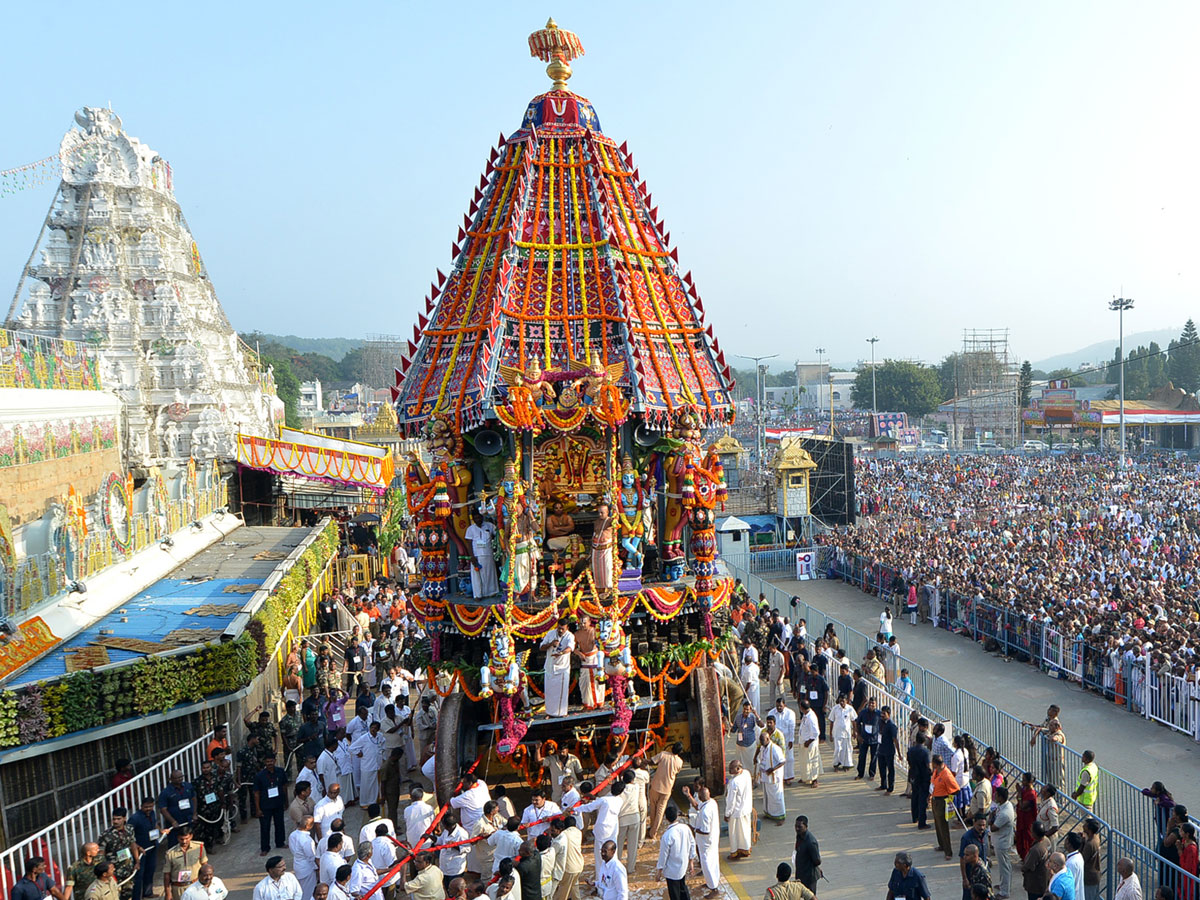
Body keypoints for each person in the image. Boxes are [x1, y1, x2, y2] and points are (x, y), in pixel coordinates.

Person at [681, 782, 719, 899]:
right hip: (711, 839)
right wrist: (688, 795)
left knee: (706, 863)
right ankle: (711, 882)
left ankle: (714, 889)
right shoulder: (711, 802)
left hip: (706, 841)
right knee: (713, 861)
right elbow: (697, 806)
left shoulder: (706, 812)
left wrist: (694, 829)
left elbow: (705, 830)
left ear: (702, 797)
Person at [578, 784, 623, 879]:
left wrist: (573, 809)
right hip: (612, 831)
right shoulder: (619, 800)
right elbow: (601, 802)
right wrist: (594, 798)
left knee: (600, 859)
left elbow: (589, 807)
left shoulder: (604, 800)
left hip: (602, 832)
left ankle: (600, 886)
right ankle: (612, 879)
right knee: (612, 857)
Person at [99, 808, 141, 900]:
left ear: (124, 818)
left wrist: (137, 861)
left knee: (128, 894)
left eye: (118, 819)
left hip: (128, 868)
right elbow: (101, 853)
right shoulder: (106, 835)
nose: (115, 821)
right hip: (113, 871)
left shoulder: (129, 829)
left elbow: (133, 844)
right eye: (114, 819)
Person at [655, 806, 696, 900]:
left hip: (672, 871)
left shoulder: (667, 836)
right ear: (677, 816)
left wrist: (659, 872)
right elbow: (692, 843)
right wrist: (691, 862)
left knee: (674, 894)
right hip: (683, 866)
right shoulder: (685, 828)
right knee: (682, 887)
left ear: (666, 818)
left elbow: (663, 856)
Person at [254, 754, 291, 856]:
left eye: (271, 761)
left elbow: (284, 787)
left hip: (278, 802)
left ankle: (280, 842)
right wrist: (257, 809)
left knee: (280, 823)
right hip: (265, 805)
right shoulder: (259, 776)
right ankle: (265, 847)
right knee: (265, 827)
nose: (269, 763)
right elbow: (256, 793)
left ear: (275, 761)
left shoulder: (280, 772)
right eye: (267, 762)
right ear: (264, 763)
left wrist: (286, 801)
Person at [646, 743, 684, 839]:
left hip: (655, 786)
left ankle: (651, 828)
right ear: (680, 752)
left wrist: (642, 761)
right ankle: (653, 832)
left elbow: (651, 761)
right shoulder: (680, 762)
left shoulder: (663, 754)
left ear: (671, 748)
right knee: (660, 811)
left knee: (653, 807)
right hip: (667, 789)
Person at [540, 621, 575, 718]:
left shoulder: (570, 636)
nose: (560, 630)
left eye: (562, 629)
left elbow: (570, 648)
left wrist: (561, 653)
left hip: (562, 668)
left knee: (562, 691)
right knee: (549, 691)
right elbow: (541, 647)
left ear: (567, 628)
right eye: (559, 628)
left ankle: (562, 713)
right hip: (550, 666)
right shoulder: (550, 634)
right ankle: (549, 713)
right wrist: (551, 644)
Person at [988, 785, 1016, 900]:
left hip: (1002, 842)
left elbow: (993, 827)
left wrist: (990, 818)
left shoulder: (1005, 813)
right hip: (1001, 840)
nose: (995, 796)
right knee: (1004, 865)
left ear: (1000, 796)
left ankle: (1005, 892)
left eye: (996, 795)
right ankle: (1004, 884)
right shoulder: (1006, 805)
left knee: (1004, 866)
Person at [163, 828, 206, 900]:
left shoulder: (199, 847)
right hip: (178, 888)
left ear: (191, 836)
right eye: (181, 839)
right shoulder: (170, 853)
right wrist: (168, 893)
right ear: (177, 838)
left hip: (195, 885)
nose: (184, 841)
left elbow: (204, 866)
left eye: (187, 838)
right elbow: (167, 874)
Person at [931, 754, 959, 860]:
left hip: (942, 801)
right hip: (935, 799)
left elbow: (956, 789)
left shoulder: (946, 775)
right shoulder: (936, 772)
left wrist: (949, 798)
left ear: (936, 764)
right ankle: (941, 845)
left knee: (943, 826)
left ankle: (948, 851)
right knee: (938, 824)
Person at [755, 730, 786, 823]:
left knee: (776, 796)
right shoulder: (763, 748)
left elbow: (782, 761)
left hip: (773, 776)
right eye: (760, 740)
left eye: (763, 740)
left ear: (768, 739)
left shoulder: (775, 749)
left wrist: (772, 769)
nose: (761, 742)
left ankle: (780, 816)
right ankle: (769, 813)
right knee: (767, 796)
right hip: (765, 777)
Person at [725, 761, 754, 860]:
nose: (729, 770)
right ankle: (746, 849)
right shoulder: (746, 773)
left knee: (735, 834)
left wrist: (727, 814)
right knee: (745, 831)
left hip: (736, 813)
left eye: (731, 768)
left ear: (738, 769)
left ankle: (735, 852)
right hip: (746, 809)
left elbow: (731, 801)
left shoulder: (734, 783)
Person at [466, 511, 499, 598]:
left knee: (490, 574)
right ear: (473, 519)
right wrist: (472, 556)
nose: (478, 519)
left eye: (479, 517)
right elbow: (469, 544)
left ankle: (491, 593)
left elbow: (498, 534)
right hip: (477, 555)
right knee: (477, 577)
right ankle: (478, 595)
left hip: (488, 554)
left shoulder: (489, 526)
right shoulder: (470, 529)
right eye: (476, 518)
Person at [550, 816, 583, 900]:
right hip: (579, 865)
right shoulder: (578, 832)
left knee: (563, 891)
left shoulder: (564, 835)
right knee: (574, 886)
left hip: (570, 868)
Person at [288, 815, 318, 900]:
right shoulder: (307, 840)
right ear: (308, 826)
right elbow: (311, 857)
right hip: (307, 868)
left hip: (297, 864)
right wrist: (316, 867)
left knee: (301, 889)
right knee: (308, 891)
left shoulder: (292, 835)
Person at [439, 813, 470, 895]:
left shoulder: (462, 833)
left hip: (455, 869)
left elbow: (467, 848)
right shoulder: (446, 831)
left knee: (455, 891)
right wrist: (430, 836)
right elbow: (440, 841)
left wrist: (454, 845)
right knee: (446, 888)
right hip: (444, 867)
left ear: (446, 825)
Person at [792, 816, 821, 897]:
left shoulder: (811, 842)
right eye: (796, 826)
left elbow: (817, 860)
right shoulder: (799, 835)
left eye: (800, 827)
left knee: (810, 896)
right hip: (801, 873)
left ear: (806, 827)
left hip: (809, 877)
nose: (797, 829)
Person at [907, 735, 931, 830]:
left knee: (915, 796)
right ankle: (922, 822)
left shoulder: (911, 750)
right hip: (923, 777)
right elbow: (928, 765)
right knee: (922, 799)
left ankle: (914, 817)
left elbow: (909, 761)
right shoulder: (925, 752)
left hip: (914, 775)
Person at [1022, 823, 1051, 900]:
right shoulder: (1046, 840)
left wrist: (1023, 868)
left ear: (1034, 834)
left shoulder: (1036, 850)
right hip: (1044, 879)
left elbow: (1028, 866)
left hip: (1035, 884)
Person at [797, 700, 822, 788]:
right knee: (804, 761)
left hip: (810, 744)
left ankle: (814, 780)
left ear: (802, 708)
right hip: (804, 742)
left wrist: (808, 742)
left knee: (812, 762)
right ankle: (805, 777)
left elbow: (815, 732)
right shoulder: (805, 715)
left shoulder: (811, 717)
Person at [855, 696, 881, 780]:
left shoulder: (879, 714)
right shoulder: (863, 712)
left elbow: (882, 725)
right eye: (870, 703)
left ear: (876, 704)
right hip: (864, 738)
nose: (871, 705)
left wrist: (880, 738)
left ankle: (872, 774)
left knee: (874, 757)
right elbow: (858, 723)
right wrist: (858, 735)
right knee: (862, 756)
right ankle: (860, 774)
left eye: (873, 703)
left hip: (875, 739)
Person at [876, 705, 901, 794]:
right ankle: (883, 785)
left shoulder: (892, 726)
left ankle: (890, 788)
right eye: (881, 713)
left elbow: (895, 740)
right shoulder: (880, 722)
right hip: (881, 749)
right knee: (881, 768)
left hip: (889, 751)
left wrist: (899, 754)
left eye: (884, 713)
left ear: (889, 714)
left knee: (890, 770)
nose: (882, 715)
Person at [1080, 818, 1102, 900]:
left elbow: (1082, 859)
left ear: (1089, 829)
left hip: (1089, 877)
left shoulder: (1089, 844)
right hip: (1095, 875)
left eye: (1085, 825)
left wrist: (1081, 844)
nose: (1083, 826)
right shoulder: (1096, 838)